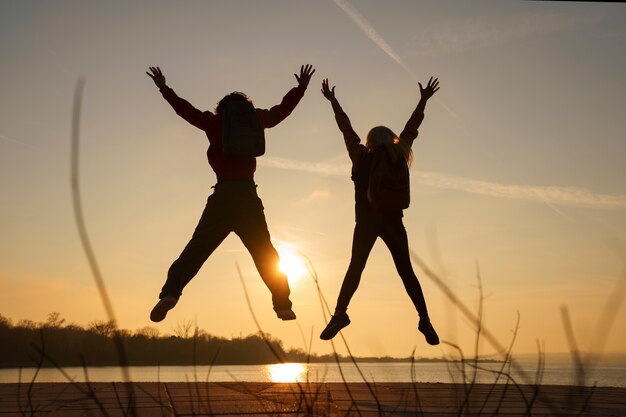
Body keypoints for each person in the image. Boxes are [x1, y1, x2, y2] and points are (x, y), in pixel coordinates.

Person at [146, 64, 316, 323]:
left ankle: (170, 294)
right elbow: (282, 112)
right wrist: (300, 88)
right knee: (265, 253)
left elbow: (185, 110)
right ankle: (282, 304)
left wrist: (163, 88)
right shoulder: (256, 120)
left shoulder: (214, 123)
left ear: (221, 109)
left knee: (196, 250)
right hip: (248, 196)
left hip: (222, 196)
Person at [319, 76, 440, 345]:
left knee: (356, 268)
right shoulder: (401, 153)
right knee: (406, 271)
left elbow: (346, 128)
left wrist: (333, 101)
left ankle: (340, 313)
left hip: (365, 223)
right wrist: (423, 100)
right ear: (392, 139)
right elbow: (411, 128)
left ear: (370, 140)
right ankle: (424, 318)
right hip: (394, 222)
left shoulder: (361, 155)